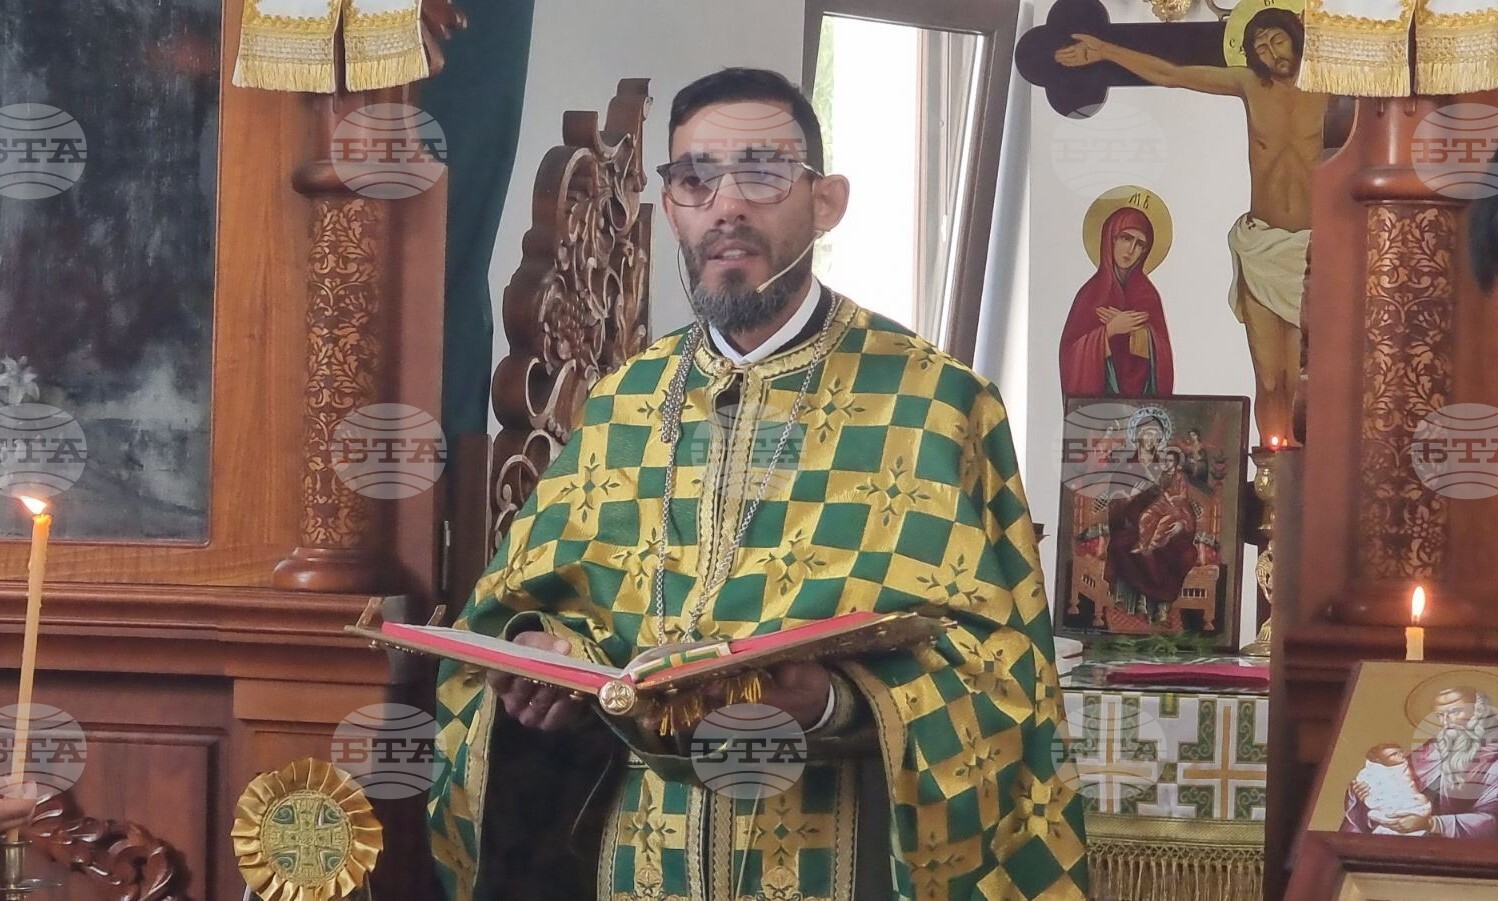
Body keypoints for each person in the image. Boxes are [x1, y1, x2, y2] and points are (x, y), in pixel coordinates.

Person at [430, 68, 1087, 901]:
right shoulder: (626, 399)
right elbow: (530, 607)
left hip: (842, 860)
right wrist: (539, 660)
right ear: (671, 206)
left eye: (763, 172)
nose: (726, 204)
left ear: (826, 201)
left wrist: (832, 702)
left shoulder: (935, 403)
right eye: (695, 177)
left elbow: (1005, 679)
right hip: (641, 864)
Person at [1055, 8, 1326, 445]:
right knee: (1267, 377)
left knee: (1299, 377)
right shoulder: (1249, 85)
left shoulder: (1332, 87)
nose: (1271, 52)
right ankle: (1273, 469)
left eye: (1277, 40)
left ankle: (1302, 470)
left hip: (1310, 250)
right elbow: (1172, 75)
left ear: (1297, 39)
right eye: (1260, 47)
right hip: (1260, 245)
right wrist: (1105, 49)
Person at [1344, 687, 1498, 837]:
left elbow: (1492, 821)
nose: (1446, 722)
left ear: (1479, 711)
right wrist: (1363, 791)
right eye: (1440, 715)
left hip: (1449, 848)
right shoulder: (1431, 750)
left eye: (1455, 712)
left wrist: (1432, 824)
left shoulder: (1494, 759)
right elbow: (1393, 781)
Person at [1058, 205, 1173, 398]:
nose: (1131, 250)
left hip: (1143, 406)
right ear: (1110, 239)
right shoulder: (1090, 294)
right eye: (1126, 238)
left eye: (1140, 244)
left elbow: (1164, 358)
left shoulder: (1148, 295)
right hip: (1100, 408)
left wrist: (1137, 333)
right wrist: (1110, 331)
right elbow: (1070, 354)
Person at [1342, 743, 1431, 835]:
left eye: (1400, 752)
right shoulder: (1427, 753)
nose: (1401, 755)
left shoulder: (1404, 765)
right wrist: (1359, 791)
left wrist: (1428, 823)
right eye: (1394, 754)